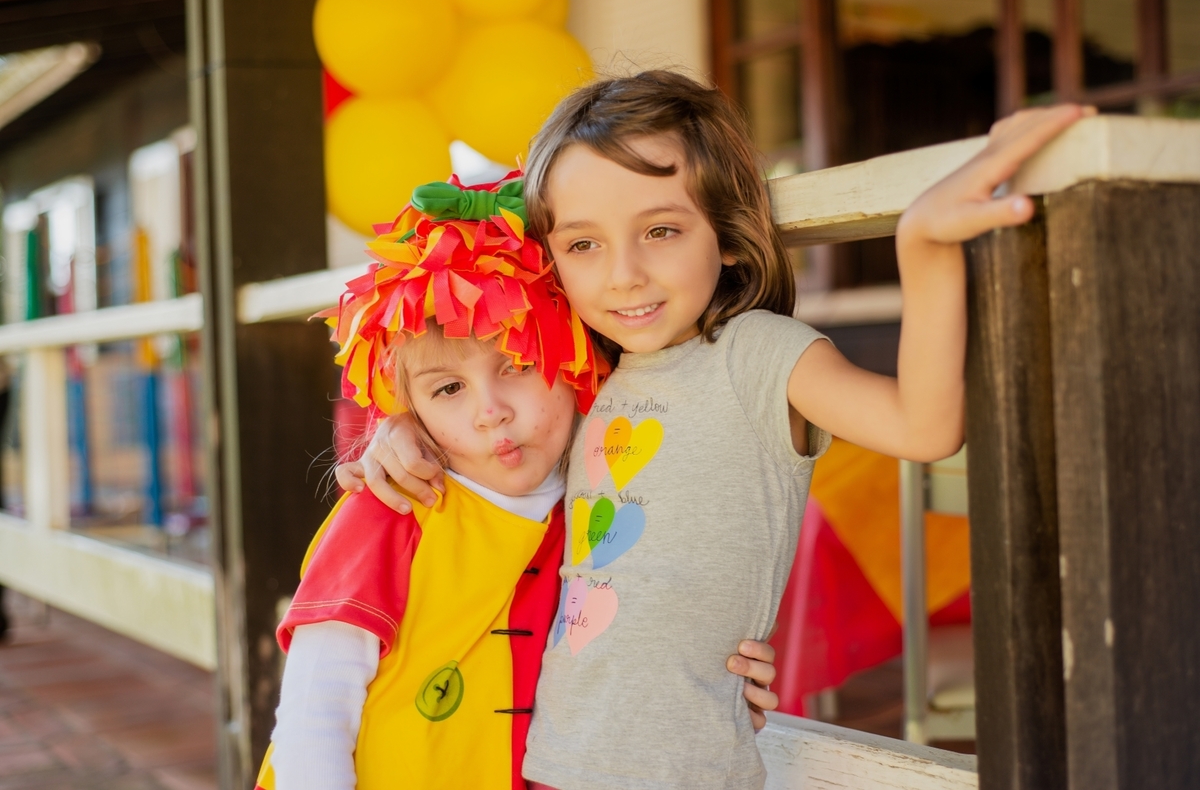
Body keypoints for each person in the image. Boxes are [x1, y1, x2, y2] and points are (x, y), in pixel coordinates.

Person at [342, 72, 1091, 789]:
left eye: (660, 229)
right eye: (583, 245)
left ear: (728, 235)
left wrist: (922, 247)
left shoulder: (759, 354)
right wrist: (399, 428)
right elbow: (487, 423)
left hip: (683, 768)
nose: (623, 274)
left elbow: (924, 425)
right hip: (553, 757)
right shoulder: (590, 375)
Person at [255, 172, 781, 790]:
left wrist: (710, 681)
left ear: (575, 357)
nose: (490, 410)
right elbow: (315, 715)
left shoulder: (603, 514)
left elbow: (633, 662)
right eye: (448, 389)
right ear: (411, 409)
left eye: (520, 365)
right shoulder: (392, 510)